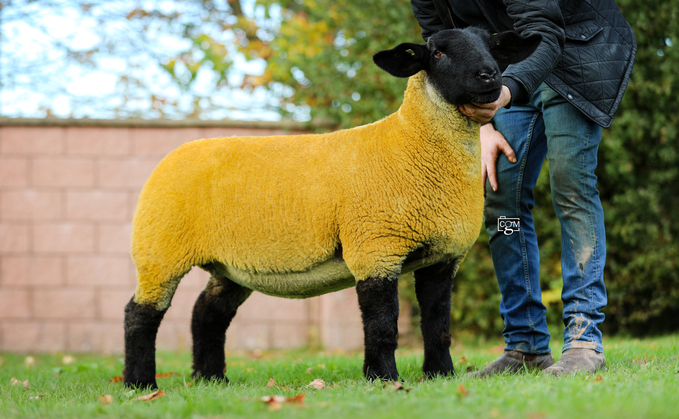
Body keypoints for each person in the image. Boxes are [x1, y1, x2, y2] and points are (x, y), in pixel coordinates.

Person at [410, 0, 636, 376]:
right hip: (511, 70)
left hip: (574, 54)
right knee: (504, 203)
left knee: (571, 188)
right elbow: (444, 47)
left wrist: (505, 91)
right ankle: (525, 344)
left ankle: (584, 340)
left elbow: (545, 32)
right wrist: (483, 123)